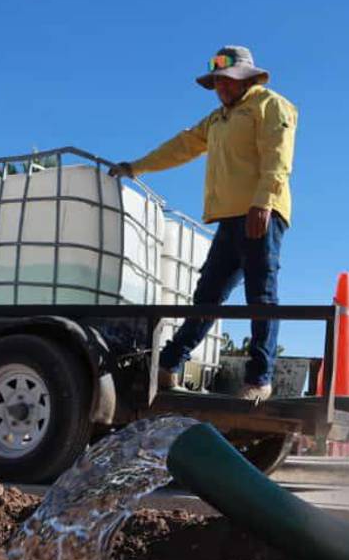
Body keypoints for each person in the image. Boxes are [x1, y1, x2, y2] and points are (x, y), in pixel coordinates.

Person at [109, 45, 297, 402]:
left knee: (261, 295)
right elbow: (181, 146)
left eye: (227, 81)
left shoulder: (269, 104)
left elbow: (278, 156)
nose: (221, 88)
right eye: (216, 83)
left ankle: (259, 379)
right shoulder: (217, 120)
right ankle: (169, 363)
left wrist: (263, 202)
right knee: (208, 293)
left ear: (245, 78)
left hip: (261, 214)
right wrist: (136, 166)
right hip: (229, 218)